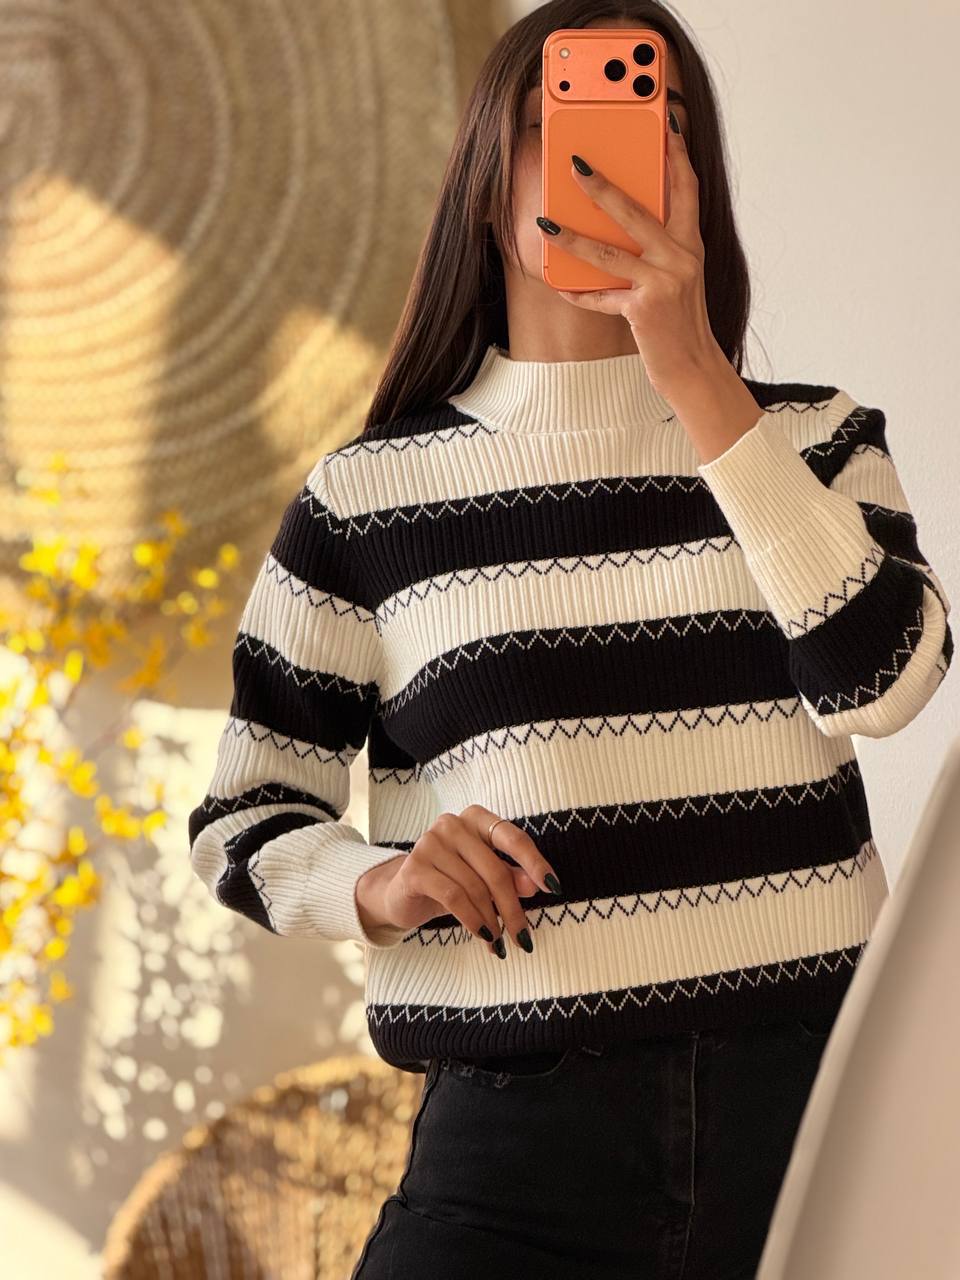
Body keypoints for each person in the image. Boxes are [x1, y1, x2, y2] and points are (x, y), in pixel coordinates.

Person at [187, 3, 953, 1276]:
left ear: (697, 180)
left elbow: (884, 683)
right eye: (562, 124)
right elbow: (242, 818)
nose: (609, 157)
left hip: (813, 1119)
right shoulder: (367, 500)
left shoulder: (815, 441)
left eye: (658, 123)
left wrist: (693, 371)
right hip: (518, 1142)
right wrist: (382, 880)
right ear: (490, 179)